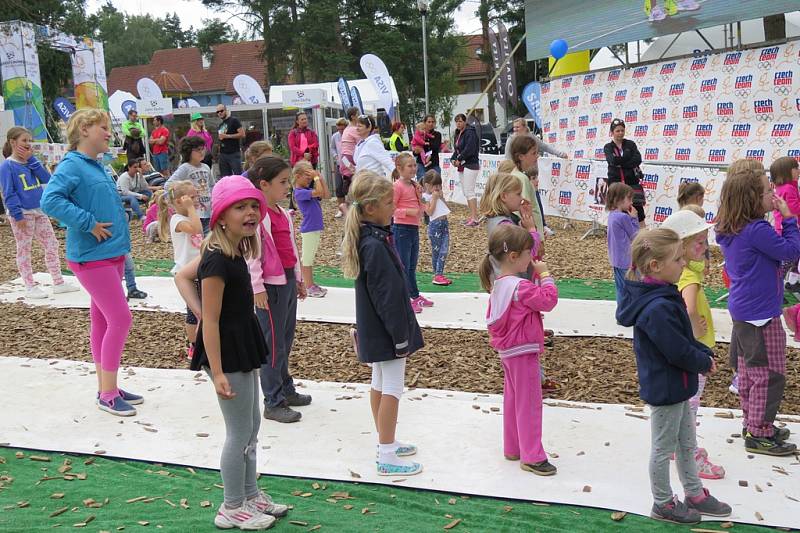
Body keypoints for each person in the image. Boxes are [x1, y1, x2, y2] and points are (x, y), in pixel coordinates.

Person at [174, 175, 288, 531]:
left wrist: (202, 309)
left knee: (252, 426)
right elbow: (210, 321)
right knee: (239, 432)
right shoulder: (218, 261)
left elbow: (181, 276)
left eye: (254, 205)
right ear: (222, 216)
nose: (251, 212)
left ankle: (250, 493)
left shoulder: (231, 248)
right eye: (241, 207)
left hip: (240, 343)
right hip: (226, 354)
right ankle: (231, 506)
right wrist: (218, 372)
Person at [616, 228, 730, 525]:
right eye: (678, 259)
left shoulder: (665, 296)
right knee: (664, 448)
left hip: (679, 384)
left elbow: (684, 338)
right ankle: (663, 502)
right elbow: (675, 350)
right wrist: (701, 361)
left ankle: (694, 493)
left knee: (686, 443)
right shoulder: (657, 307)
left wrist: (701, 352)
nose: (684, 264)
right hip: (666, 388)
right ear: (655, 265)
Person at [41, 109, 141, 416]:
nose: (109, 133)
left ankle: (106, 384)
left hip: (110, 254)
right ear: (84, 129)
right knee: (121, 319)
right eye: (103, 127)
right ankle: (107, 394)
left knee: (102, 320)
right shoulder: (72, 165)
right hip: (91, 257)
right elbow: (50, 201)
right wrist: (88, 222)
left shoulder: (96, 165)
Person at [341, 170, 424, 476]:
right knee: (391, 387)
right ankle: (386, 454)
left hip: (376, 330)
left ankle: (384, 441)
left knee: (379, 382)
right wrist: (400, 337)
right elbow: (387, 298)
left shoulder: (369, 239)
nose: (394, 207)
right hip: (387, 332)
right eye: (390, 202)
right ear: (371, 208)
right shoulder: (374, 245)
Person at [715, 161, 799, 456]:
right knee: (770, 373)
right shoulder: (756, 229)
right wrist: (788, 219)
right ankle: (760, 432)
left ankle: (753, 423)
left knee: (749, 371)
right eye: (766, 191)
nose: (773, 193)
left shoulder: (730, 226)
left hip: (744, 311)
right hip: (762, 315)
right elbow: (790, 251)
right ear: (752, 198)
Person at [481, 224, 558, 476]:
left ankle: (513, 447)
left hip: (508, 351)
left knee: (514, 399)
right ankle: (532, 455)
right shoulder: (521, 288)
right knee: (530, 403)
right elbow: (548, 301)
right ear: (514, 257)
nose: (533, 258)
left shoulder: (500, 284)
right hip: (524, 352)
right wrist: (545, 275)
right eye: (528, 253)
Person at [661, 208, 725, 480]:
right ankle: (689, 451)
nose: (704, 248)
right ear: (681, 248)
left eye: (705, 241)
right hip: (696, 350)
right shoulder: (690, 277)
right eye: (698, 243)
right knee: (692, 404)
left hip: (693, 348)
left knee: (688, 403)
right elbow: (686, 308)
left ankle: (681, 445)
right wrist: (694, 328)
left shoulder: (686, 272)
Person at [246, 156, 310, 424]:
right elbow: (252, 254)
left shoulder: (282, 213)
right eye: (283, 182)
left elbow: (290, 248)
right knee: (272, 344)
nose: (288, 187)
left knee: (285, 338)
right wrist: (257, 287)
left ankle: (285, 387)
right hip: (269, 286)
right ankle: (273, 400)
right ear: (263, 184)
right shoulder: (257, 217)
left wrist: (296, 277)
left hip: (284, 281)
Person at [0, 126, 79, 299]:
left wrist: (32, 160)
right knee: (24, 249)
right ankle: (29, 286)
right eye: (24, 141)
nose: (28, 144)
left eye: (29, 141)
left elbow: (48, 180)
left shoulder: (30, 162)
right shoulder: (7, 166)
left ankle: (58, 281)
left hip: (39, 209)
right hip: (22, 212)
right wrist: (17, 214)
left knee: (51, 243)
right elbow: (8, 192)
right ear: (13, 142)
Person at [392, 152, 432, 314]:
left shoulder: (414, 185)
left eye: (415, 165)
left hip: (413, 228)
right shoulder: (397, 186)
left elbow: (420, 206)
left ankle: (414, 295)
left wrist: (423, 203)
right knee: (403, 265)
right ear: (399, 168)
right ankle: (405, 299)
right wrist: (407, 212)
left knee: (411, 265)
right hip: (401, 228)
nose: (414, 168)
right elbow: (391, 208)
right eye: (410, 166)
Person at [293, 161, 329, 298]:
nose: (309, 181)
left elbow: (325, 194)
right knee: (306, 259)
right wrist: (316, 178)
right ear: (297, 176)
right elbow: (319, 191)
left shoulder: (307, 191)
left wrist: (319, 177)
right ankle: (308, 286)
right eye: (307, 178)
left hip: (314, 228)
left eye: (310, 178)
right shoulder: (299, 192)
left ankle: (310, 284)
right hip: (309, 229)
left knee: (310, 258)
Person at [167, 136, 215, 234]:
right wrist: (183, 196)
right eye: (198, 150)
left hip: (208, 211)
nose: (202, 152)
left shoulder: (206, 167)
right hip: (194, 211)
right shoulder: (185, 168)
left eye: (203, 148)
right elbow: (169, 185)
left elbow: (212, 185)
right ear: (188, 151)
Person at [604, 118, 645, 226]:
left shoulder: (630, 144)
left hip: (632, 183)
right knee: (618, 211)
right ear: (612, 132)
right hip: (616, 184)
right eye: (617, 131)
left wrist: (621, 162)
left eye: (622, 130)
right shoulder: (608, 147)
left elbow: (637, 160)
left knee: (639, 212)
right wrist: (627, 159)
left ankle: (644, 241)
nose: (620, 133)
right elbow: (612, 161)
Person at [605, 182, 640, 309]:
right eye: (629, 199)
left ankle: (621, 312)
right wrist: (634, 218)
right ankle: (627, 312)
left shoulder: (612, 216)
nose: (631, 202)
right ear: (619, 200)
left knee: (620, 288)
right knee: (631, 287)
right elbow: (635, 236)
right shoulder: (623, 218)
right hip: (626, 259)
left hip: (616, 258)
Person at [509, 136, 544, 238]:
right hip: (529, 235)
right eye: (533, 153)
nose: (537, 156)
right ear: (521, 156)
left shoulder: (517, 175)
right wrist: (537, 237)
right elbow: (526, 211)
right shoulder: (521, 178)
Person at [422, 170, 451, 286]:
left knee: (444, 249)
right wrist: (433, 198)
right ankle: (437, 274)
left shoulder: (438, 195)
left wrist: (442, 198)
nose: (438, 188)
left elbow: (446, 208)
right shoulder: (425, 197)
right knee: (437, 251)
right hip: (435, 226)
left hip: (444, 223)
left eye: (439, 185)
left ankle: (439, 274)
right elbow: (429, 212)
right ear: (428, 185)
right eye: (435, 185)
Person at [451, 114, 480, 227]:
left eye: (460, 121)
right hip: (462, 165)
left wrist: (459, 159)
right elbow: (457, 149)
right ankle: (472, 216)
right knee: (465, 192)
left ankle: (475, 218)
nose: (458, 123)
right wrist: (453, 159)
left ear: (465, 121)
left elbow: (469, 149)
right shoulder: (458, 133)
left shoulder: (470, 132)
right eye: (457, 121)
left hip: (470, 164)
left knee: (470, 191)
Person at [338, 107, 361, 196]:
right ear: (353, 117)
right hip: (350, 157)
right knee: (355, 182)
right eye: (358, 114)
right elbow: (362, 141)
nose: (359, 116)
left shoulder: (347, 129)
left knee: (350, 180)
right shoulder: (353, 129)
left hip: (344, 158)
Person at [216, 104, 245, 176]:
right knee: (225, 177)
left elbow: (242, 134)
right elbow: (222, 138)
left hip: (233, 153)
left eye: (221, 111)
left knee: (238, 176)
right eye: (218, 112)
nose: (220, 113)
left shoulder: (234, 120)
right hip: (223, 154)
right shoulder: (221, 125)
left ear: (226, 110)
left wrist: (227, 136)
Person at [330, 118, 349, 218]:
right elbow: (332, 148)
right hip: (339, 164)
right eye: (339, 129)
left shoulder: (349, 135)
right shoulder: (335, 136)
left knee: (349, 187)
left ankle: (350, 208)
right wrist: (335, 156)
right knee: (338, 187)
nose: (341, 131)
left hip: (349, 165)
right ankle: (340, 209)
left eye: (342, 129)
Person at [414, 114, 442, 179]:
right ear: (424, 123)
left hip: (434, 163)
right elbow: (415, 151)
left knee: (435, 185)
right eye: (429, 122)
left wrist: (425, 142)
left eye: (433, 122)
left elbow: (436, 147)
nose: (431, 124)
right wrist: (416, 151)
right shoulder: (418, 134)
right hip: (421, 164)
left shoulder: (437, 134)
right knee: (422, 185)